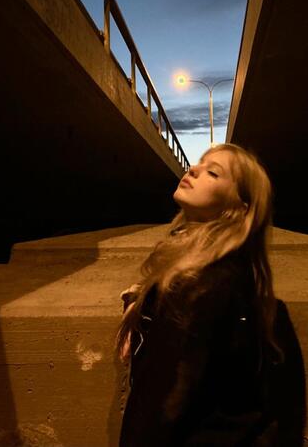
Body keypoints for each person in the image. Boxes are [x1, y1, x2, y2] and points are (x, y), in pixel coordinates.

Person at [116, 143, 283, 446]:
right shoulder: (223, 270)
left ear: (239, 208)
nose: (193, 169)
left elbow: (164, 401)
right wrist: (145, 301)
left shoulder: (204, 286)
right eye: (199, 163)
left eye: (213, 173)